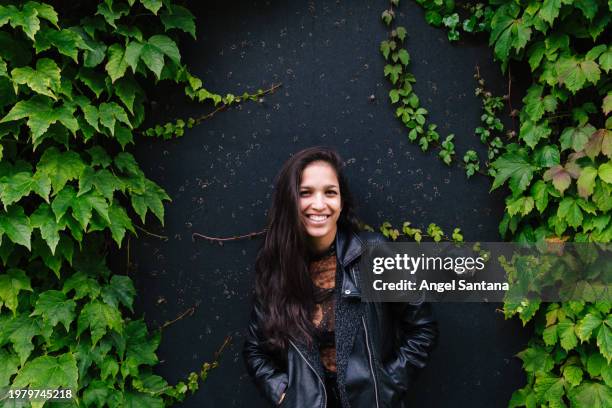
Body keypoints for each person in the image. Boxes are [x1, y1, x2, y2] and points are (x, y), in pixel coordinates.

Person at [243, 147, 437, 408]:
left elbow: (422, 329)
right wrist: (284, 394)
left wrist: (387, 386)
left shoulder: (374, 253)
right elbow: (255, 350)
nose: (320, 204)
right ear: (290, 200)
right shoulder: (277, 268)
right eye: (305, 193)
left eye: (330, 192)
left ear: (341, 201)